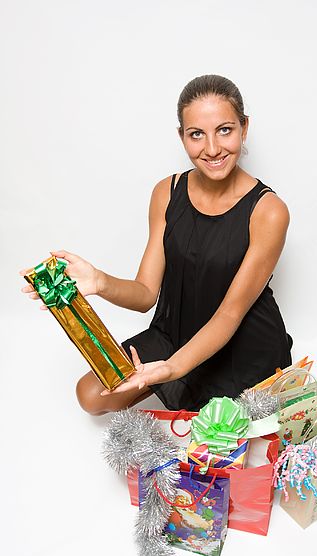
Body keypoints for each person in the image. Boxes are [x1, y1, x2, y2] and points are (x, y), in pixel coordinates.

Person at [20, 74, 293, 415]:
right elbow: (146, 294)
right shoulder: (167, 192)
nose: (212, 149)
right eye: (197, 134)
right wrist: (100, 282)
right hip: (175, 332)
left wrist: (171, 369)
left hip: (240, 344)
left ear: (244, 128)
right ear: (182, 137)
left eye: (225, 130)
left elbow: (230, 313)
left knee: (218, 431)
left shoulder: (268, 211)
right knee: (90, 394)